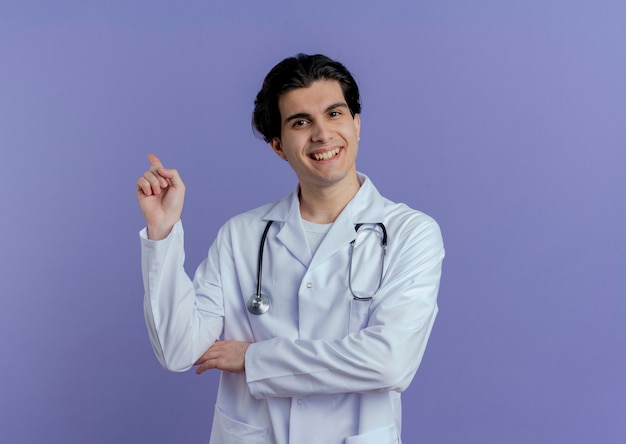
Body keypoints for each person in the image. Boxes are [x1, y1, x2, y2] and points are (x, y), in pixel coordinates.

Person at [136, 53, 444, 444]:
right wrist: (162, 235)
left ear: (357, 124)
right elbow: (178, 351)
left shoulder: (411, 233)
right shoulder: (242, 235)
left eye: (334, 114)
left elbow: (390, 363)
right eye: (301, 122)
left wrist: (252, 359)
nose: (322, 134)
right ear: (278, 146)